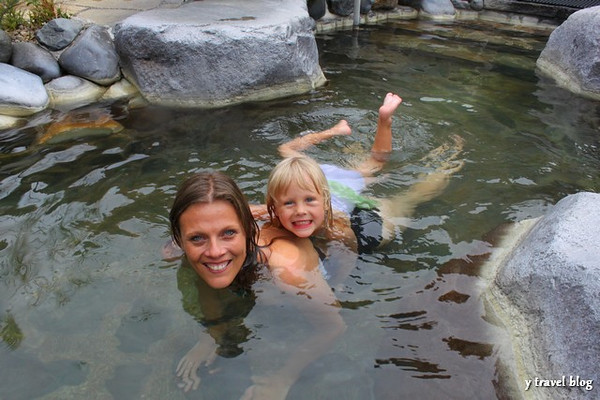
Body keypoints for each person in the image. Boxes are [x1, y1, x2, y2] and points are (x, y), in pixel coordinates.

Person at [168, 171, 344, 398]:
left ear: (248, 230)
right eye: (197, 238)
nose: (214, 251)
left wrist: (281, 380)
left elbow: (333, 326)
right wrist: (212, 334)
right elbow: (207, 284)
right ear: (181, 239)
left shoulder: (288, 272)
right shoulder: (196, 252)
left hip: (342, 242)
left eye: (229, 233)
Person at [252, 92, 464, 257]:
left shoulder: (337, 227)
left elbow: (348, 252)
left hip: (351, 202)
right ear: (275, 207)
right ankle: (378, 122)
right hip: (333, 188)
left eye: (308, 201)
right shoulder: (313, 174)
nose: (299, 211)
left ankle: (439, 161)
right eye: (289, 204)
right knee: (374, 165)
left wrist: (339, 281)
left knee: (407, 197)